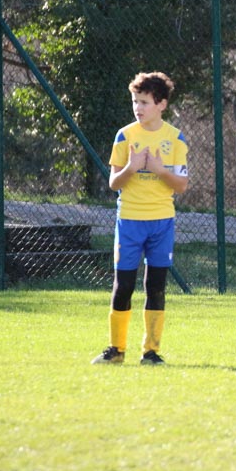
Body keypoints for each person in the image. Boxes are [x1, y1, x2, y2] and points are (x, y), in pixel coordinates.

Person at [92, 71, 189, 366]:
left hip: (162, 223)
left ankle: (150, 352)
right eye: (135, 101)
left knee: (156, 286)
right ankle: (116, 350)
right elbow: (114, 183)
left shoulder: (175, 138)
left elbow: (181, 185)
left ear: (161, 104)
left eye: (144, 102)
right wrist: (131, 167)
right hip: (130, 222)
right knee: (123, 285)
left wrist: (159, 170)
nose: (138, 107)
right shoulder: (125, 136)